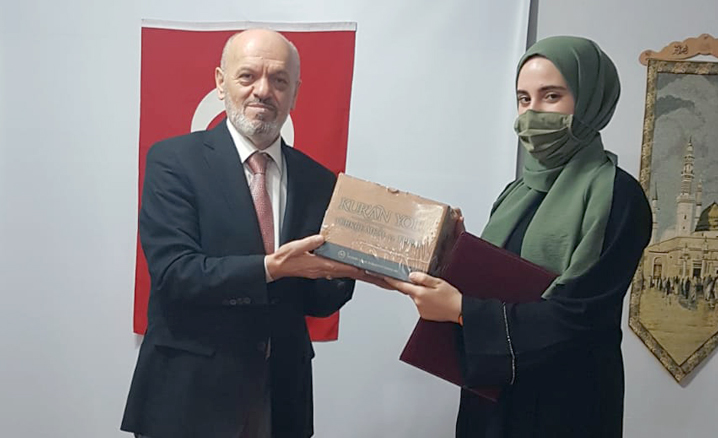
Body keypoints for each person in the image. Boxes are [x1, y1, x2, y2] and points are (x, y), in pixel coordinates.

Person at [386, 36, 652, 437]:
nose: (532, 113)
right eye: (524, 99)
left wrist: (461, 310)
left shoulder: (618, 195)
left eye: (551, 96)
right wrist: (455, 255)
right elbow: (501, 280)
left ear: (590, 100)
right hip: (492, 403)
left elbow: (580, 314)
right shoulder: (516, 192)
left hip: (566, 406)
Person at [121, 29, 372, 438]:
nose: (263, 91)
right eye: (248, 76)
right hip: (188, 397)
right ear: (221, 83)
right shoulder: (173, 161)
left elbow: (318, 301)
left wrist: (348, 269)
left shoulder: (320, 181)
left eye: (279, 80)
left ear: (295, 93)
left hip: (281, 397)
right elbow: (175, 274)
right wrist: (272, 267)